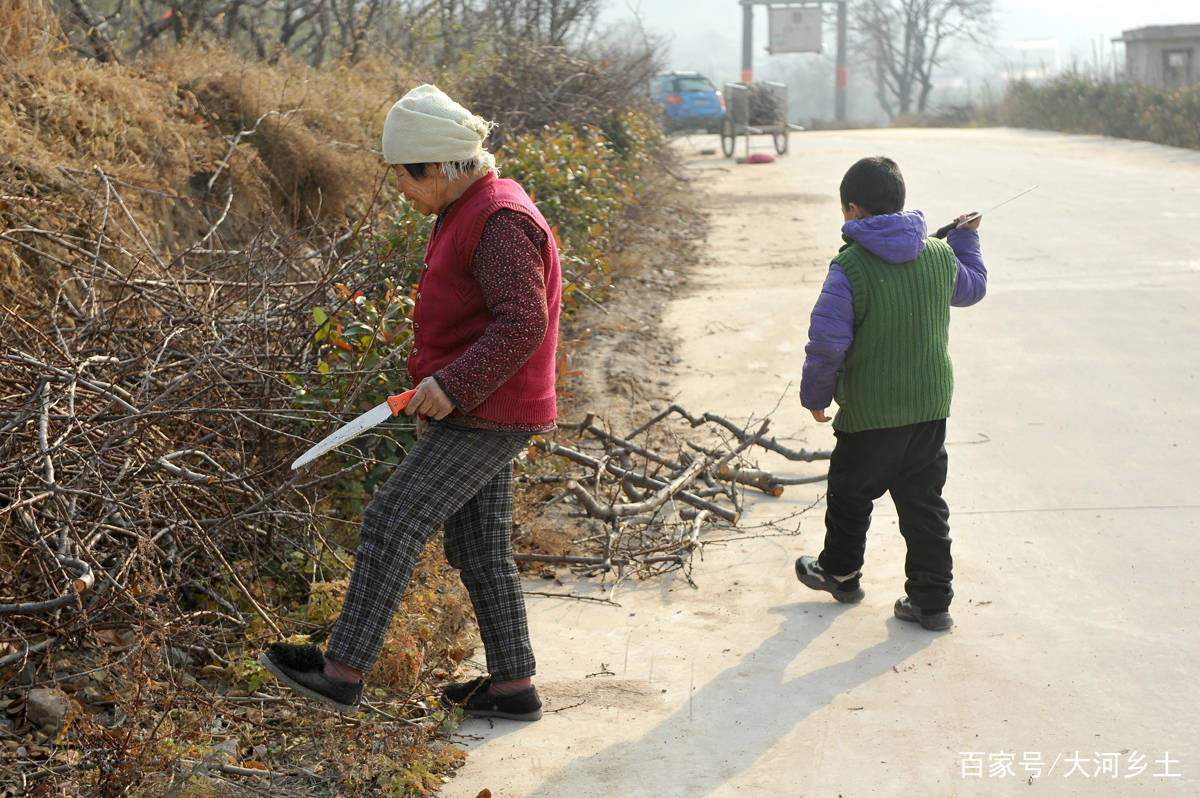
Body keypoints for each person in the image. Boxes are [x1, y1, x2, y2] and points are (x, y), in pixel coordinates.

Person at [261, 85, 561, 721]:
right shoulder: (468, 209)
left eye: (402, 173)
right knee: (480, 552)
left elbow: (522, 323)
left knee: (390, 520)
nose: (398, 185)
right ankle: (513, 688)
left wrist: (453, 386)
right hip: (486, 407)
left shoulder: (499, 218)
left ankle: (341, 670)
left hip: (485, 413)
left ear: (439, 166)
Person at [794, 156, 986, 632]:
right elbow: (973, 288)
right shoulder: (941, 256)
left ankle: (840, 572)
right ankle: (932, 601)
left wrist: (815, 394)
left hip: (870, 413)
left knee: (850, 495)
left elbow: (827, 342)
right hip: (927, 409)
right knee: (924, 505)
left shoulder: (851, 266)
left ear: (854, 210)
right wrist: (965, 237)